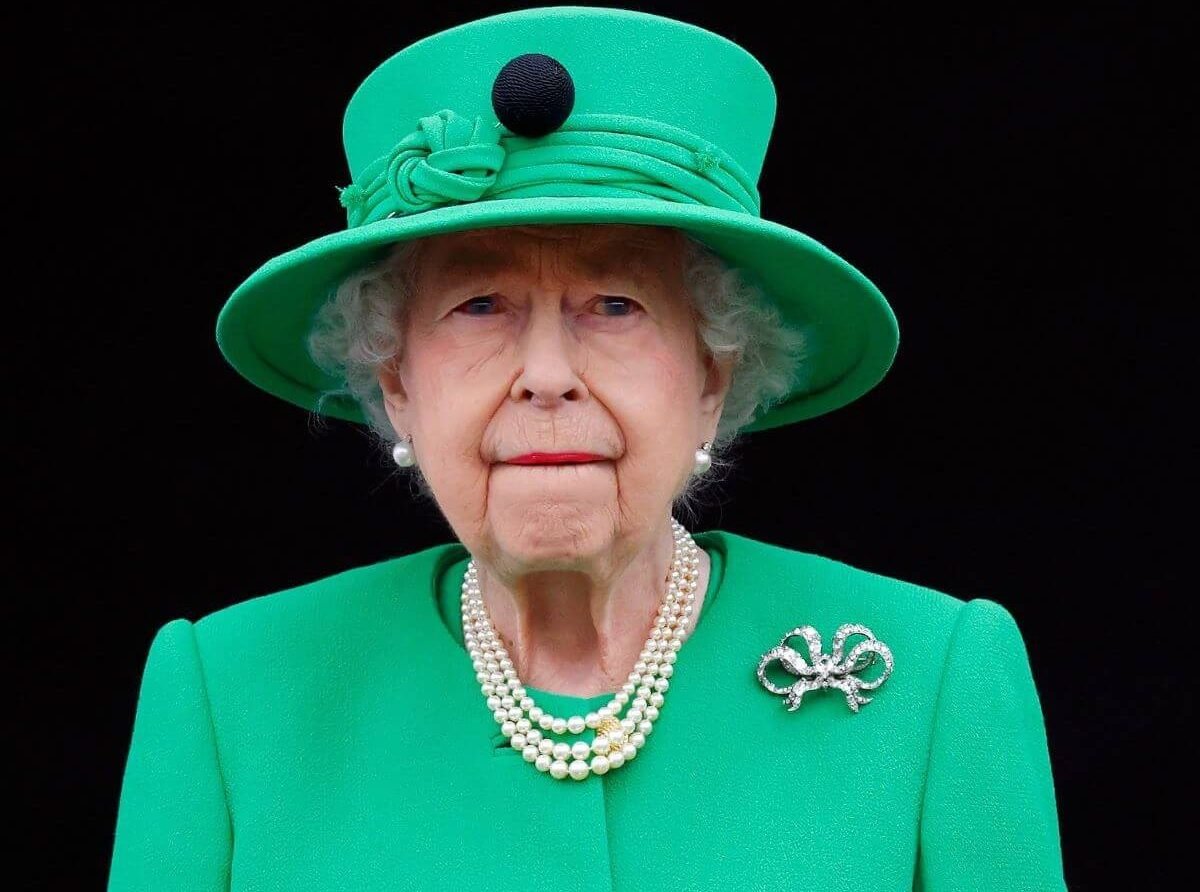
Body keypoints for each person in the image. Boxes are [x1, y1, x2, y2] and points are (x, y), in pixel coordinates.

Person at [108, 6, 1067, 890]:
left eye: (615, 304)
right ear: (398, 383)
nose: (546, 373)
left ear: (710, 377)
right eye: (479, 304)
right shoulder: (228, 695)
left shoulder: (939, 681)